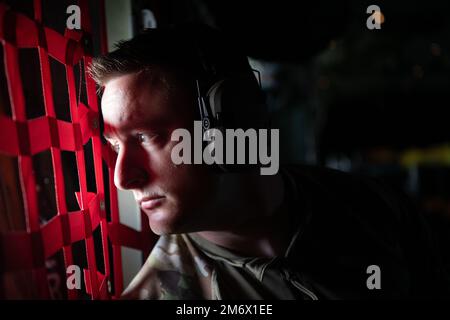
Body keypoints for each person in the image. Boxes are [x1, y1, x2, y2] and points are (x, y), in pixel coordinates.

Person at [89, 23, 449, 299]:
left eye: (144, 137)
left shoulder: (372, 206)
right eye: (117, 145)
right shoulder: (165, 293)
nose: (122, 177)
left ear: (232, 118)